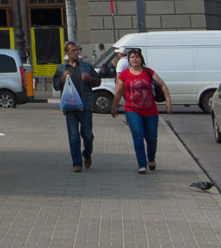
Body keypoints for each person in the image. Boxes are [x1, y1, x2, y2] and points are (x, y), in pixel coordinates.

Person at [111, 46, 172, 174]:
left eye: (137, 57)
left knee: (152, 139)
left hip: (150, 111)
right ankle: (142, 164)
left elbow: (163, 85)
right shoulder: (124, 74)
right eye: (132, 57)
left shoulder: (149, 72)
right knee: (138, 135)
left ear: (141, 60)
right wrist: (114, 107)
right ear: (129, 60)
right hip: (132, 110)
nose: (135, 59)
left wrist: (168, 102)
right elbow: (118, 91)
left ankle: (151, 159)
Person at [53, 42, 100, 172]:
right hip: (70, 106)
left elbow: (98, 81)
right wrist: (63, 78)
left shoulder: (86, 66)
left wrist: (89, 78)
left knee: (88, 135)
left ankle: (87, 153)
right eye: (72, 50)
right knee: (74, 136)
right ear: (67, 53)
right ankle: (77, 163)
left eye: (77, 50)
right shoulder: (62, 68)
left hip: (85, 106)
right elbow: (56, 85)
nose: (75, 53)